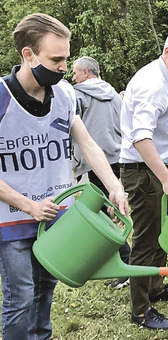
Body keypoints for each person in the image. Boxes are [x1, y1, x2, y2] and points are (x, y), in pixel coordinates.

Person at [0, 13, 128, 339]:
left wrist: (114, 186)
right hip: (12, 220)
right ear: (28, 55)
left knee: (45, 290)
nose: (63, 67)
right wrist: (27, 205)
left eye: (66, 59)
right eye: (56, 59)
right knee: (21, 298)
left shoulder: (66, 95)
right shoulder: (2, 98)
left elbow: (87, 144)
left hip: (57, 218)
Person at [120, 29, 168, 330]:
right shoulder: (152, 84)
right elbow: (141, 136)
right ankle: (140, 310)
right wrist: (164, 177)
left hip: (156, 168)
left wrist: (166, 167)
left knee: (160, 234)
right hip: (142, 173)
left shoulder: (167, 81)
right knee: (145, 240)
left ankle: (155, 286)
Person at [71, 56, 131, 289]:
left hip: (97, 162)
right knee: (111, 210)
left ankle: (125, 261)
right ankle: (114, 259)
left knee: (105, 214)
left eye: (75, 73)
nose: (73, 77)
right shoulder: (115, 94)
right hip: (118, 158)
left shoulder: (77, 95)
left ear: (85, 72)